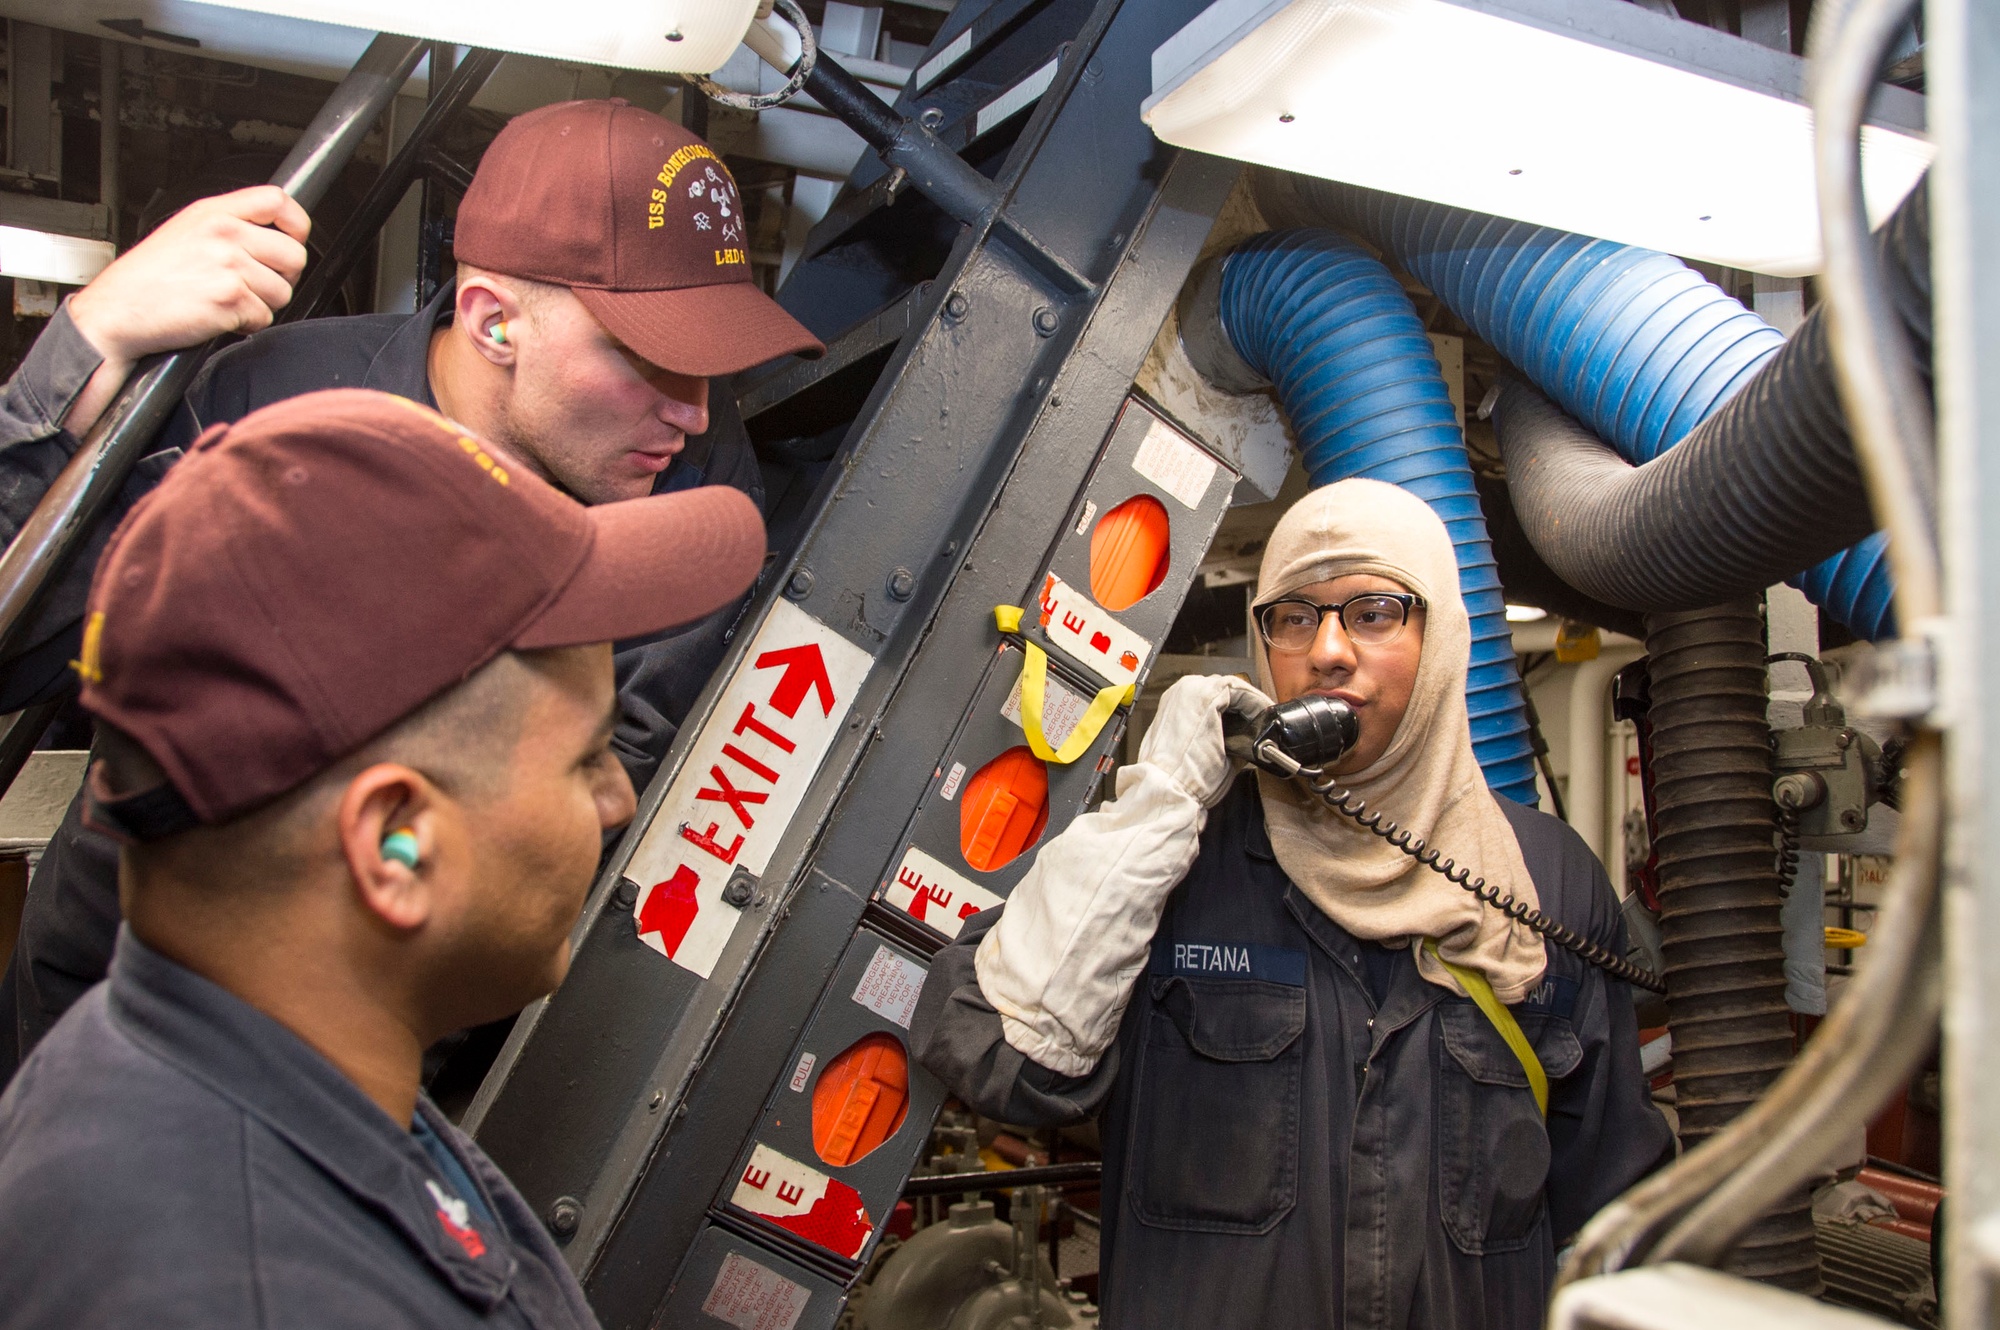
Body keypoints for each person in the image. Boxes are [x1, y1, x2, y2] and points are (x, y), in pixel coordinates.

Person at [0, 98, 823, 1070]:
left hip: (397, 1039)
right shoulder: (273, 400)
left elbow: (597, 785)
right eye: (652, 361)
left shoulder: (685, 472)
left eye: (712, 370)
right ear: (493, 322)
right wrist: (80, 353)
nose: (692, 414)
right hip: (123, 987)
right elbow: (22, 644)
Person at [0, 386, 765, 1326]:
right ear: (394, 846)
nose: (620, 797)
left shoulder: (242, 1083)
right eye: (585, 757)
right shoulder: (251, 1292)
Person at [911, 478, 1673, 1330]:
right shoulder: (1171, 857)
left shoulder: (1545, 882)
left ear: (1443, 637)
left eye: (1375, 611)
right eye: (1295, 617)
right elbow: (1004, 1065)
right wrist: (1156, 807)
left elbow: (1609, 1209)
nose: (1329, 650)